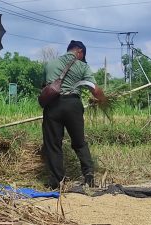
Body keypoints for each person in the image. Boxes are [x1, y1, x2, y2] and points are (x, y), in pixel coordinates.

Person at [41, 40, 106, 189]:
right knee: (79, 142)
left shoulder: (50, 64)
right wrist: (104, 101)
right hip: (73, 105)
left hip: (53, 106)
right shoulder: (82, 66)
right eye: (83, 56)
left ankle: (57, 182)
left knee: (53, 144)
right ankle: (89, 177)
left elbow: (44, 87)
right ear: (80, 52)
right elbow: (94, 89)